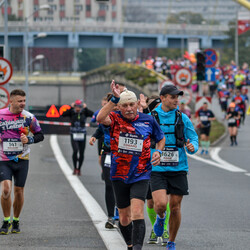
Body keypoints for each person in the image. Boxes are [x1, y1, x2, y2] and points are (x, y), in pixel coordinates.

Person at [97, 80, 165, 250]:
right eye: (124, 105)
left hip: (141, 173)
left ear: (137, 105)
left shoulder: (148, 120)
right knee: (124, 218)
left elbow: (161, 138)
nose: (128, 109)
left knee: (137, 212)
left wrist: (159, 152)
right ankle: (129, 245)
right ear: (119, 107)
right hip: (119, 174)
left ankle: (137, 248)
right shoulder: (114, 118)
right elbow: (100, 118)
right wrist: (114, 99)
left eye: (131, 105)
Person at [150, 85, 199, 250]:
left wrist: (193, 146)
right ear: (163, 98)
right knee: (161, 204)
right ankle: (161, 218)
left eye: (177, 97)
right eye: (172, 97)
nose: (176, 100)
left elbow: (193, 137)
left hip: (178, 167)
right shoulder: (151, 117)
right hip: (157, 168)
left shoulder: (183, 118)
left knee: (176, 206)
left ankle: (171, 241)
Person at [0, 89, 44, 234]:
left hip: (22, 159)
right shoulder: (1, 115)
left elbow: (40, 135)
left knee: (19, 191)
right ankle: (6, 221)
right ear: (11, 101)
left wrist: (29, 139)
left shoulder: (28, 117)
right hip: (4, 159)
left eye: (24, 101)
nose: (22, 104)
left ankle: (16, 220)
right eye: (19, 101)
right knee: (6, 190)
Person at [140, 94, 170, 245]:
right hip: (147, 164)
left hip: (166, 165)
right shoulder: (146, 121)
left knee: (164, 200)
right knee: (151, 202)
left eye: (160, 105)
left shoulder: (169, 119)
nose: (158, 109)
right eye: (155, 107)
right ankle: (155, 226)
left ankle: (164, 228)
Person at [89, 93, 118, 229]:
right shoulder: (105, 118)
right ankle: (111, 216)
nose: (115, 107)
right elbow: (100, 129)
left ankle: (123, 211)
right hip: (108, 153)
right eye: (111, 104)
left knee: (122, 185)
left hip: (125, 156)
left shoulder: (128, 118)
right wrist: (94, 137)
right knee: (109, 184)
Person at [61, 99, 94, 176]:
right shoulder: (72, 112)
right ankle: (75, 168)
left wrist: (86, 108)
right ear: (74, 106)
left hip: (82, 134)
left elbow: (93, 114)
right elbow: (63, 114)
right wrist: (70, 107)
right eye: (76, 106)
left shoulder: (84, 112)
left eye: (79, 106)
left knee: (82, 152)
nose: (78, 108)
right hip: (74, 134)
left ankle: (79, 169)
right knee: (75, 150)